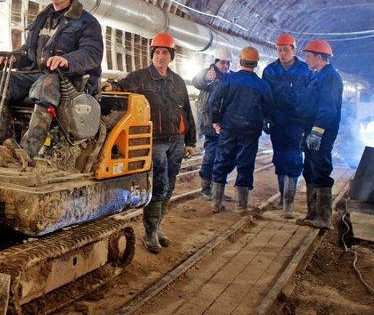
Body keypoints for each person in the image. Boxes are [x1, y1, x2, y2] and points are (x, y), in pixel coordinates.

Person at [0, 0, 103, 160]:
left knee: (45, 84)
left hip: (69, 81)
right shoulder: (42, 19)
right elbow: (28, 50)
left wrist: (67, 60)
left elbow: (92, 53)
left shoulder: (87, 22)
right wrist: (13, 57)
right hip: (35, 75)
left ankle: (27, 151)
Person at [109, 33, 196, 253]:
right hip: (155, 142)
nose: (160, 56)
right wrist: (110, 87)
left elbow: (186, 111)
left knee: (170, 185)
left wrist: (190, 141)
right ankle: (149, 235)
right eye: (157, 52)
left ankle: (157, 229)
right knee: (158, 186)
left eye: (164, 52)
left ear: (171, 56)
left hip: (176, 140)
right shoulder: (140, 77)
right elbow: (119, 87)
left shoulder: (177, 82)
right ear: (152, 54)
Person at [209, 47, 274, 213]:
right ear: (256, 63)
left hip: (228, 128)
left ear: (240, 60)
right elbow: (269, 109)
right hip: (250, 132)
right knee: (245, 165)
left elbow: (214, 101)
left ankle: (216, 203)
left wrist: (216, 121)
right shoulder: (262, 85)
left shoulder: (229, 79)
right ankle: (241, 206)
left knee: (221, 162)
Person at [261, 34, 310, 218]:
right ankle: (283, 199)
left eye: (285, 50)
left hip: (297, 123)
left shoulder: (305, 70)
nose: (282, 53)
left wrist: (308, 122)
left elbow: (311, 97)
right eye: (279, 49)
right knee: (280, 159)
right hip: (277, 123)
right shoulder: (270, 71)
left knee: (294, 159)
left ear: (294, 50)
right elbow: (264, 96)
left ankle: (289, 202)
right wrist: (265, 117)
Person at [297, 39, 343, 230]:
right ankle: (312, 213)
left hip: (321, 133)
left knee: (321, 170)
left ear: (319, 56)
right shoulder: (317, 75)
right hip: (310, 130)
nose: (306, 59)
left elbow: (328, 107)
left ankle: (323, 218)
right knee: (309, 170)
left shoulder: (330, 77)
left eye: (308, 55)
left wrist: (317, 131)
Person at [192, 46, 233, 200]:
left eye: (228, 63)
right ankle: (206, 188)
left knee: (225, 157)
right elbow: (197, 82)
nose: (226, 66)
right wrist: (206, 78)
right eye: (223, 63)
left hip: (226, 124)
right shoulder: (208, 73)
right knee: (211, 155)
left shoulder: (231, 77)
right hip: (209, 123)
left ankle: (218, 189)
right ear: (216, 62)